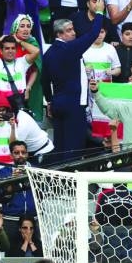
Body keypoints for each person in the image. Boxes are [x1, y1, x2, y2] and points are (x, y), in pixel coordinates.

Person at [43, 13, 104, 157]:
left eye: (73, 29)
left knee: (60, 146)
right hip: (74, 104)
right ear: (59, 34)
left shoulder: (48, 53)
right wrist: (100, 12)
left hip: (58, 103)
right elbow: (93, 33)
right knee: (74, 148)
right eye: (69, 30)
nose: (74, 33)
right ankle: (73, 177)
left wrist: (50, 101)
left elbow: (44, 81)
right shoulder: (70, 49)